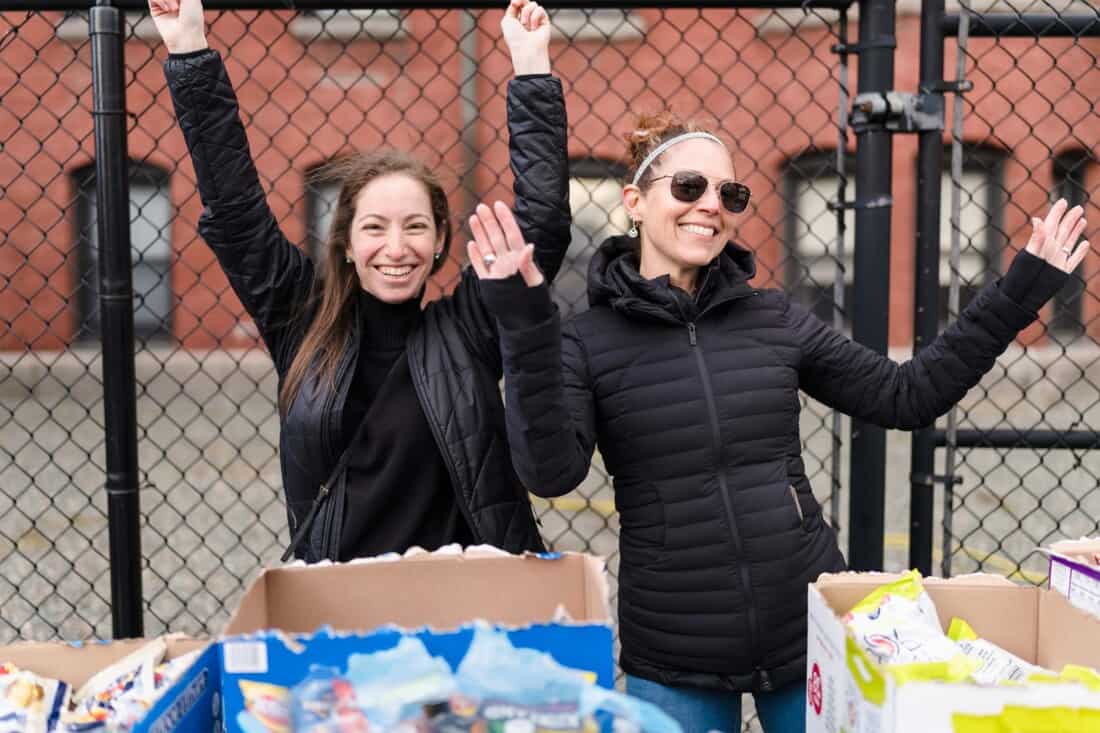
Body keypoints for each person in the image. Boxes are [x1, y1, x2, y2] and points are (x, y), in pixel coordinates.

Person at [469, 112, 1089, 732]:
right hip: (675, 650)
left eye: (728, 194)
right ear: (634, 201)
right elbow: (551, 473)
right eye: (689, 187)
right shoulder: (585, 341)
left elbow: (908, 395)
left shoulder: (773, 318)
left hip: (805, 630)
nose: (710, 205)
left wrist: (1021, 289)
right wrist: (526, 325)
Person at [147, 0, 570, 562]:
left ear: (440, 240)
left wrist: (531, 66)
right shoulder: (303, 320)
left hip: (465, 604)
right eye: (375, 227)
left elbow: (541, 222)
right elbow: (236, 208)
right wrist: (188, 52)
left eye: (415, 227)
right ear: (346, 242)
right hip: (341, 605)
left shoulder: (466, 329)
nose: (396, 248)